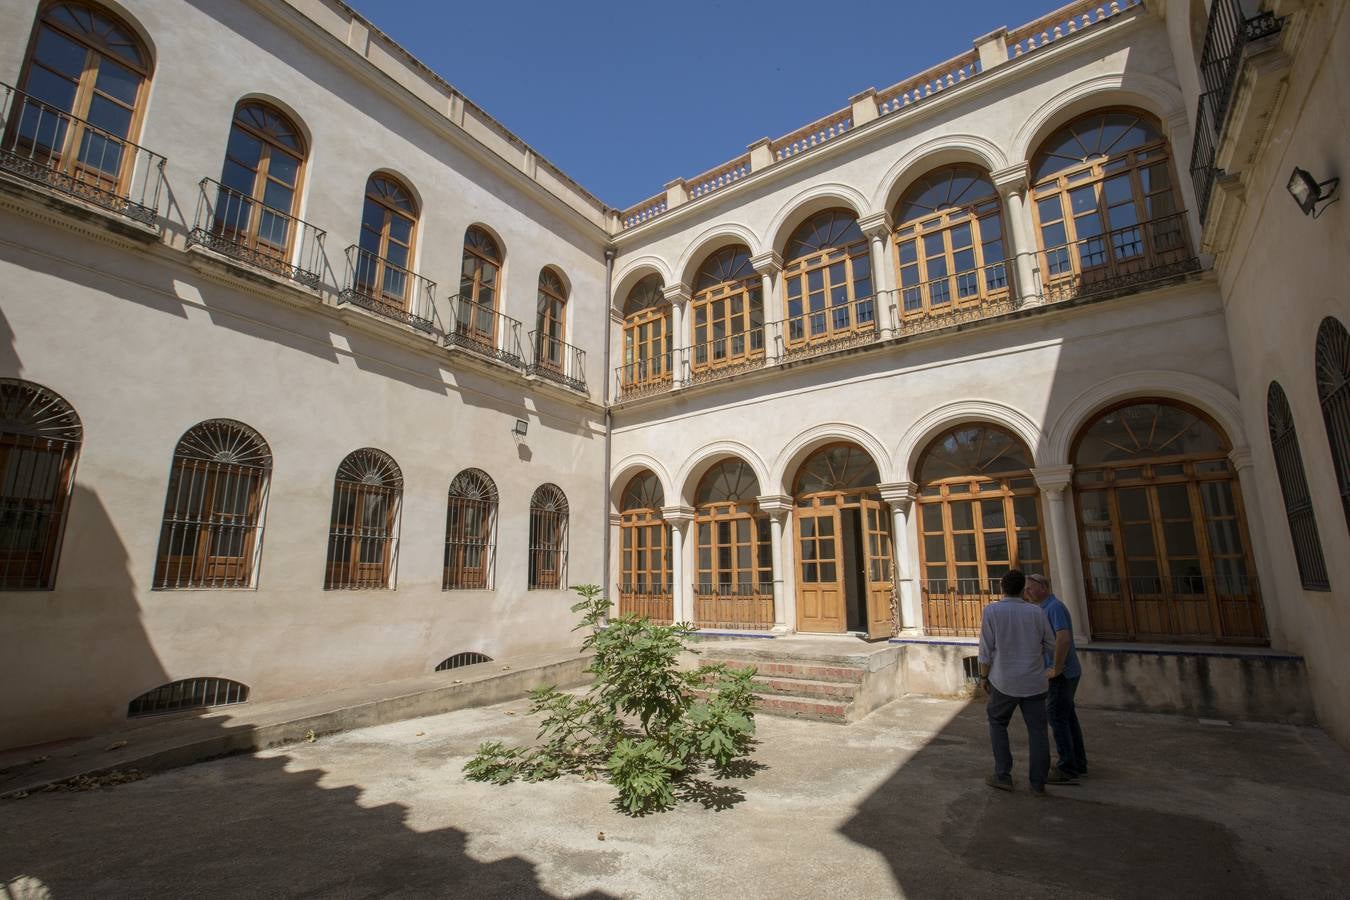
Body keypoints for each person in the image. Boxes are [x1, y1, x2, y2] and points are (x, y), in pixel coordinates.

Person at [977, 569, 1056, 794]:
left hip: (1004, 681)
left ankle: (1003, 775)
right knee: (1038, 732)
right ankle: (1038, 782)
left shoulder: (992, 611)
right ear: (1023, 589)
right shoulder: (1036, 612)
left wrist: (983, 676)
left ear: (1002, 589)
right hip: (1034, 681)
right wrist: (1042, 659)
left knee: (998, 723)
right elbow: (1051, 644)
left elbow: (985, 650)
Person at [1026, 572, 1087, 783]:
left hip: (1062, 674)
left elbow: (1063, 639)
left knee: (1056, 718)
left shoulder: (1054, 608)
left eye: (1030, 588)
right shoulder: (1045, 608)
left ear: (1043, 587)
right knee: (1067, 717)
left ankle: (1067, 768)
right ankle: (1077, 762)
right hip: (1065, 672)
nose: (1027, 592)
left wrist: (1056, 668)